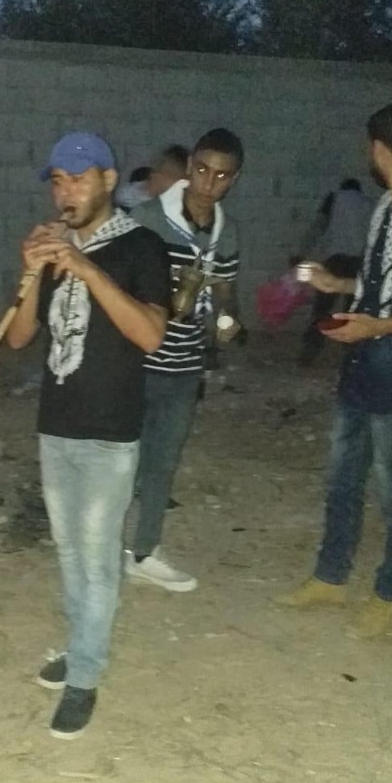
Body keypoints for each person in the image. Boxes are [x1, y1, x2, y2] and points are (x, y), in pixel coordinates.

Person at [6, 132, 170, 737]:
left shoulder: (142, 246)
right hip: (57, 424)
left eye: (78, 179)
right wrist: (31, 272)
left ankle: (85, 676)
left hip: (109, 430)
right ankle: (81, 646)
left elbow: (150, 334)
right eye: (57, 181)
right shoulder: (56, 247)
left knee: (99, 560)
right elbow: (19, 337)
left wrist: (85, 268)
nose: (66, 192)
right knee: (69, 550)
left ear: (108, 180)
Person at [277, 102, 392, 638]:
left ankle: (391, 592)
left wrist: (378, 327)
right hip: (364, 362)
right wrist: (338, 286)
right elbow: (381, 286)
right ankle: (330, 577)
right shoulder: (386, 209)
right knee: (343, 478)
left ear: (377, 148)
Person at [126, 128, 243, 592]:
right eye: (202, 170)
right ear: (190, 166)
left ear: (234, 179)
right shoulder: (148, 220)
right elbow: (119, 285)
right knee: (121, 459)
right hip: (136, 361)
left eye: (221, 176)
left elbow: (226, 292)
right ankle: (100, 548)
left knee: (162, 461)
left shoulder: (226, 232)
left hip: (184, 365)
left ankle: (144, 551)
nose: (208, 184)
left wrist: (226, 321)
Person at [295, 177, 374, 365]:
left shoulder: (334, 198)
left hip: (336, 260)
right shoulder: (369, 204)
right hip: (359, 262)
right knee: (352, 312)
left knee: (322, 308)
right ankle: (351, 355)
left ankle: (310, 350)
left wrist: (301, 252)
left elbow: (318, 227)